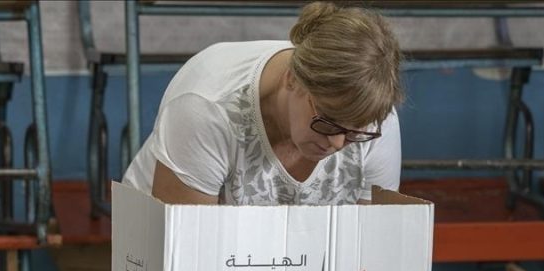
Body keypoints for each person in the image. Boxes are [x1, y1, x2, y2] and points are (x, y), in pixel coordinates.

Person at [122, 1, 403, 205]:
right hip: (160, 241)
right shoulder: (207, 107)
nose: (338, 143)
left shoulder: (373, 116)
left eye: (353, 133)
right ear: (292, 79)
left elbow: (373, 241)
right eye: (328, 122)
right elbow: (186, 248)